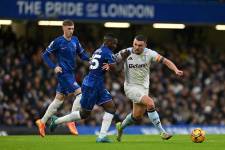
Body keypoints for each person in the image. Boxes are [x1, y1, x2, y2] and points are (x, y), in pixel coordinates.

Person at [49, 34, 118, 143]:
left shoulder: (98, 50)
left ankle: (102, 136)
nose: (115, 45)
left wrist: (110, 65)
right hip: (93, 85)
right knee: (84, 114)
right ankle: (56, 120)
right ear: (107, 42)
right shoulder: (107, 52)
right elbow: (115, 69)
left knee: (111, 108)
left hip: (96, 84)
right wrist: (113, 65)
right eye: (113, 43)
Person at [115, 35, 183, 142]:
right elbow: (112, 59)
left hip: (144, 88)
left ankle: (121, 127)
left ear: (145, 45)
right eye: (135, 44)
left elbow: (165, 61)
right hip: (131, 87)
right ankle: (162, 132)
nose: (137, 47)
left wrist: (175, 70)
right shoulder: (126, 52)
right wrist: (107, 63)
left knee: (137, 116)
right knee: (150, 103)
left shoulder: (150, 53)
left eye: (140, 45)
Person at [35, 19, 90, 137]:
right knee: (80, 94)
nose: (71, 31)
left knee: (58, 100)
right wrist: (54, 66)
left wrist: (90, 59)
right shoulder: (58, 42)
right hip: (63, 74)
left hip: (71, 73)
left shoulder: (75, 40)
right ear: (63, 28)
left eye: (73, 28)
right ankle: (71, 121)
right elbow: (45, 55)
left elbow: (82, 54)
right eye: (69, 29)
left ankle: (42, 122)